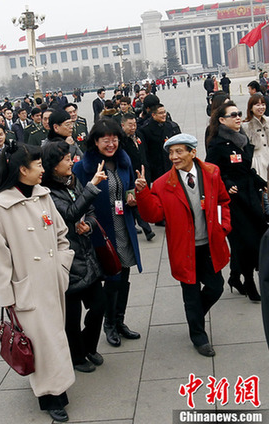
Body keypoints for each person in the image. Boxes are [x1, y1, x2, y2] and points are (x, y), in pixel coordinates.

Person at [0, 141, 75, 423]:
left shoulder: (43, 195)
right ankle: (49, 396)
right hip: (26, 286)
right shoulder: (0, 207)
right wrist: (6, 296)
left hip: (52, 279)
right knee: (42, 341)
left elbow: (62, 234)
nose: (42, 169)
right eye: (37, 165)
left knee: (55, 336)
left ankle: (58, 387)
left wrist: (63, 264)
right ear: (22, 169)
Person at [135, 134, 231, 356]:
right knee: (190, 292)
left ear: (192, 152)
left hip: (210, 244)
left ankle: (195, 314)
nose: (174, 157)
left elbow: (224, 201)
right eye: (171, 153)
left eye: (179, 152)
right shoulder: (162, 184)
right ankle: (199, 336)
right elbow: (153, 214)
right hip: (183, 248)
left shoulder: (212, 173)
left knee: (216, 287)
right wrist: (143, 193)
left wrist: (223, 226)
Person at [73, 119, 143, 347]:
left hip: (123, 226)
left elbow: (129, 186)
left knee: (124, 276)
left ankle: (120, 321)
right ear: (96, 141)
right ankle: (109, 324)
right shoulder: (83, 168)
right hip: (101, 231)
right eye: (106, 140)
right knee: (111, 279)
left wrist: (134, 194)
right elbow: (78, 200)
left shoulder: (123, 161)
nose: (111, 144)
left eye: (114, 139)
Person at [41, 141, 106, 373]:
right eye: (66, 159)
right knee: (71, 316)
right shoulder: (46, 192)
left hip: (86, 254)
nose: (71, 162)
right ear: (52, 165)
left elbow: (88, 211)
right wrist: (92, 186)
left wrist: (89, 225)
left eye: (70, 158)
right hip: (67, 259)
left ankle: (87, 345)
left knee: (99, 305)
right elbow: (68, 213)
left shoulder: (72, 181)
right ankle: (77, 357)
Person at [206, 101, 267, 301]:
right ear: (222, 120)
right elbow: (211, 171)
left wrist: (261, 182)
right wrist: (226, 181)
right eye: (233, 115)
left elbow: (247, 169)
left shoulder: (242, 139)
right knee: (245, 242)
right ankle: (249, 283)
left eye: (239, 113)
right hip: (233, 201)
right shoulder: (217, 144)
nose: (238, 117)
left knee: (258, 237)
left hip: (250, 195)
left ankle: (234, 277)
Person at [120, 113, 155, 240]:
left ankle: (135, 223)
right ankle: (147, 229)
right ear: (123, 125)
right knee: (134, 200)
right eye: (130, 125)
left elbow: (145, 152)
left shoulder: (139, 135)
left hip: (144, 171)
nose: (133, 127)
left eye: (134, 124)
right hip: (130, 174)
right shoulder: (121, 140)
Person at [242, 94, 269, 182]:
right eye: (257, 105)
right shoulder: (246, 126)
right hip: (257, 163)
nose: (261, 107)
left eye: (263, 104)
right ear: (251, 108)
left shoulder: (267, 121)